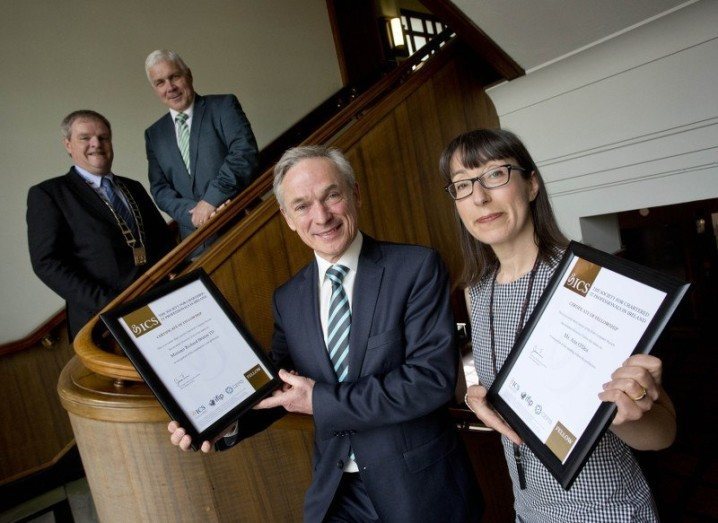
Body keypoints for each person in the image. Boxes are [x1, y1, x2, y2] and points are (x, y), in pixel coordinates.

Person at [168, 145, 484, 522]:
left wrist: (321, 401)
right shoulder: (288, 298)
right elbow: (281, 383)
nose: (320, 216)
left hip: (417, 490)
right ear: (287, 217)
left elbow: (430, 381)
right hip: (336, 495)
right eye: (301, 206)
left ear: (356, 195)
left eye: (331, 196)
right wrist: (221, 420)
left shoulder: (415, 268)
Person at [440, 128, 677, 521]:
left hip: (605, 509)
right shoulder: (476, 293)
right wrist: (475, 397)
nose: (479, 196)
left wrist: (633, 410)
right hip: (528, 509)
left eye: (495, 174)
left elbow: (662, 434)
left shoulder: (588, 281)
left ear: (531, 184)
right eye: (462, 185)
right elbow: (488, 383)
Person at [27, 110, 174, 340]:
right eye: (85, 138)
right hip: (103, 319)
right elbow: (47, 263)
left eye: (103, 137)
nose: (96, 144)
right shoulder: (49, 194)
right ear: (68, 145)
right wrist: (111, 304)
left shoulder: (133, 187)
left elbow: (163, 241)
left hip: (159, 304)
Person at [144, 49, 259, 243]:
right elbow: (159, 188)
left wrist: (210, 201)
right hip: (197, 242)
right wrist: (192, 215)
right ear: (155, 89)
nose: (170, 87)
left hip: (243, 224)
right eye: (160, 82)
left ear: (188, 74)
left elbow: (243, 154)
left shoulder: (223, 106)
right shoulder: (154, 134)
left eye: (174, 77)